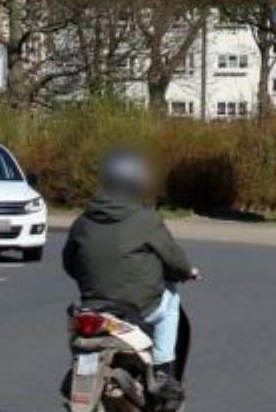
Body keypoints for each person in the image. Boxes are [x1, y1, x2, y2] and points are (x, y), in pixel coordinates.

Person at [62, 149, 198, 397]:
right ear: (137, 183)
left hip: (93, 305)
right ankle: (162, 371)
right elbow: (175, 260)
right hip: (139, 307)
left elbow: (69, 263)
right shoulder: (146, 220)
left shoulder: (82, 221)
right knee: (171, 301)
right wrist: (187, 271)